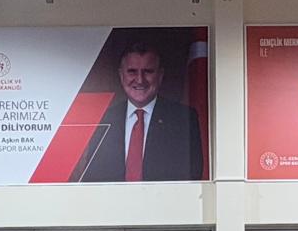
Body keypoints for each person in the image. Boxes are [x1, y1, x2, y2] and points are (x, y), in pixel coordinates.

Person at [75, 43, 204, 182]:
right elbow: (92, 177)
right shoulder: (104, 118)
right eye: (132, 71)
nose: (140, 80)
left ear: (160, 75)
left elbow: (192, 175)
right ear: (121, 75)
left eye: (148, 71)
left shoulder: (182, 119)